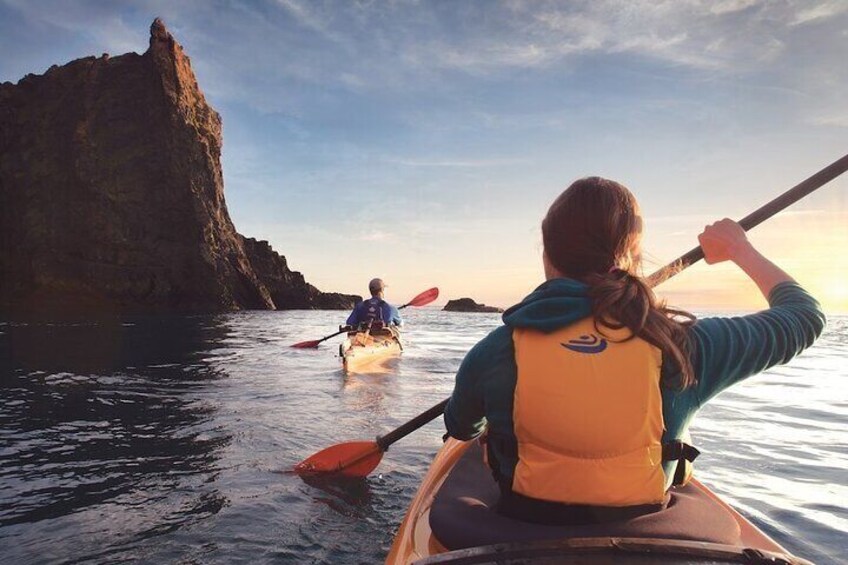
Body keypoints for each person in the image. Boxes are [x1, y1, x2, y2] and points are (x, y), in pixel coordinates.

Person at [444, 177, 825, 525]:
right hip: (645, 525)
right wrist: (740, 249)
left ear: (547, 255)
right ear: (631, 257)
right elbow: (805, 316)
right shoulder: (683, 345)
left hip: (523, 525)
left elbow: (461, 427)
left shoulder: (495, 350)